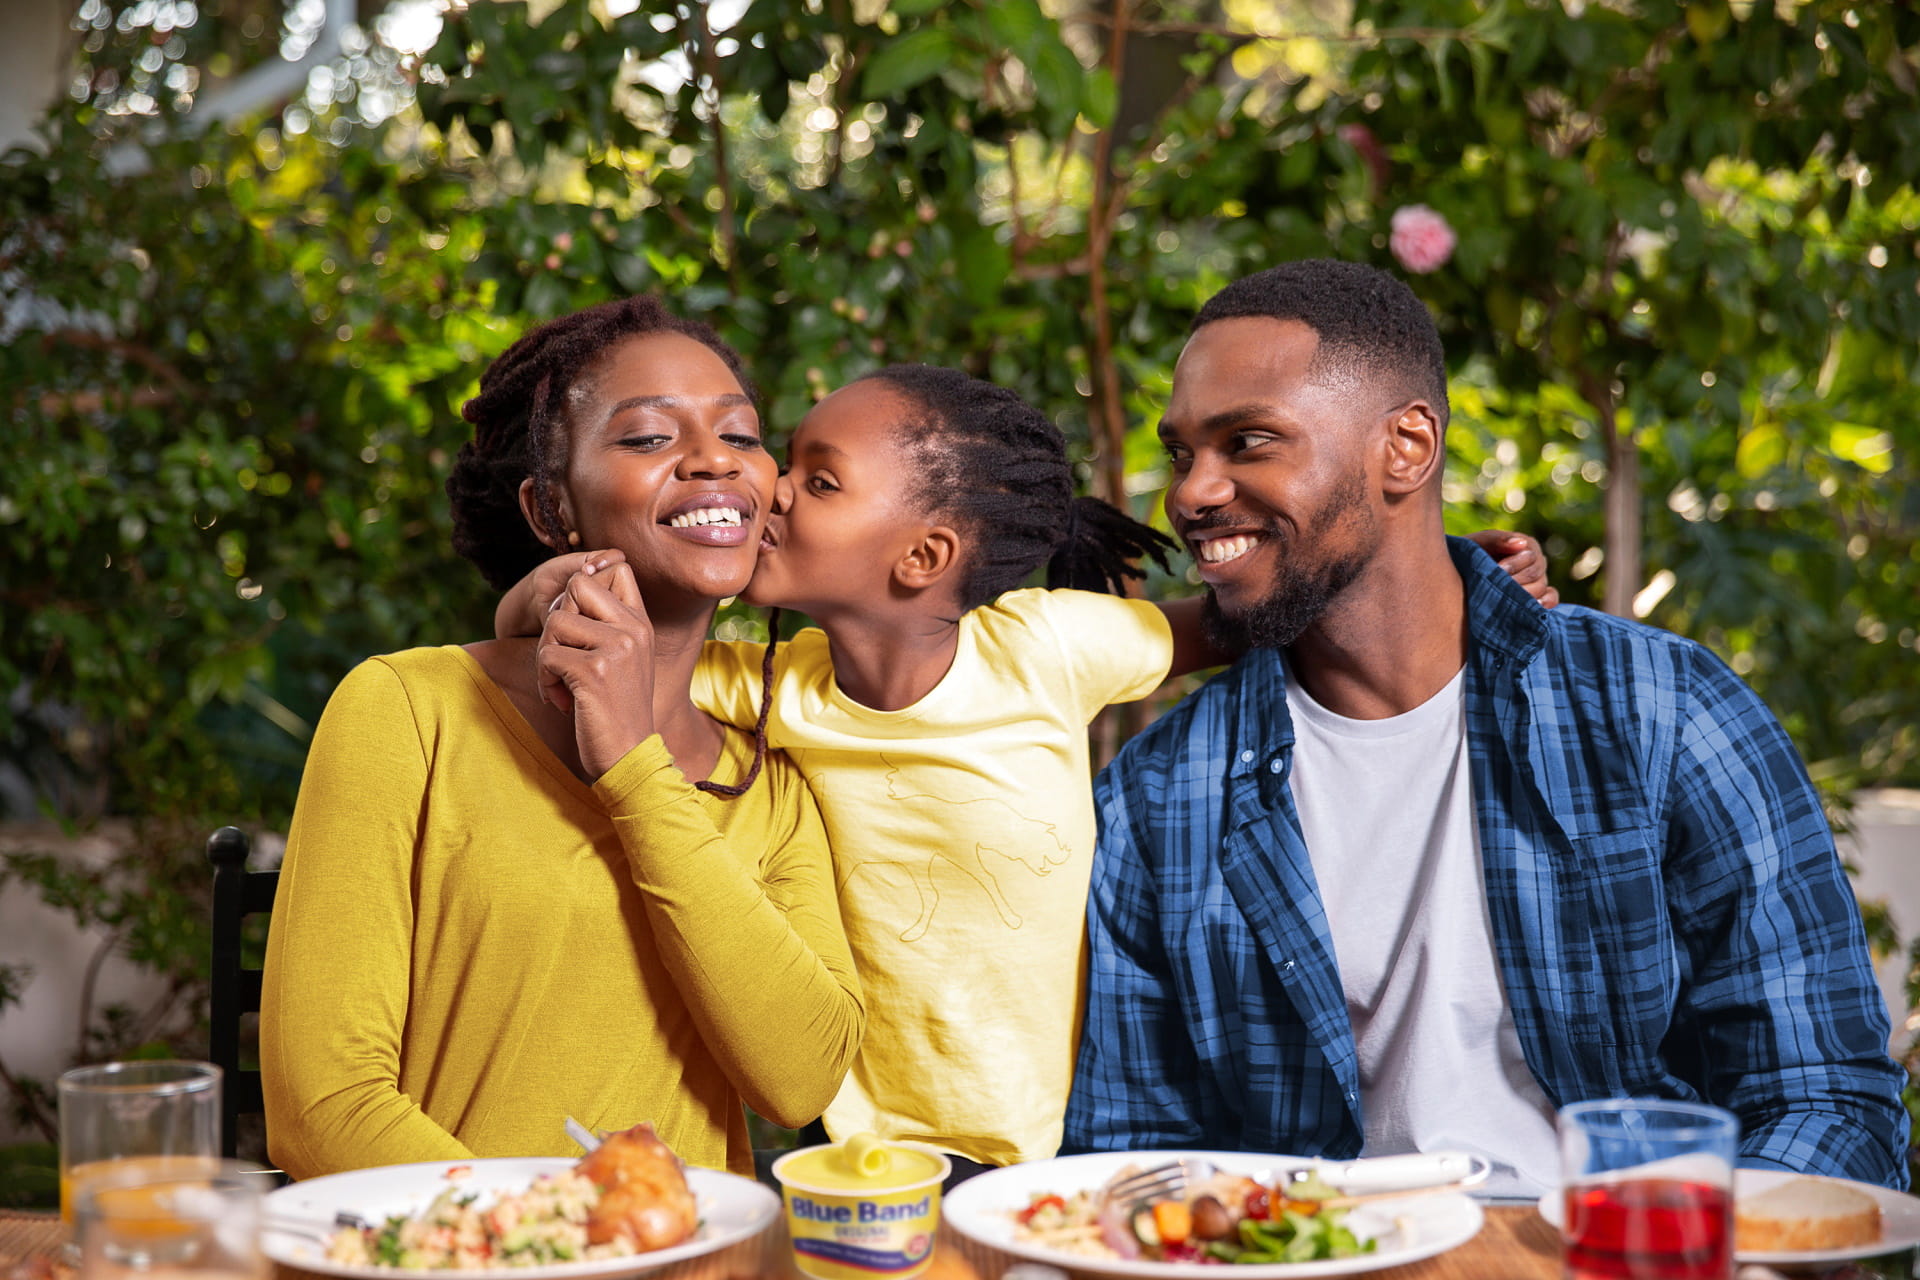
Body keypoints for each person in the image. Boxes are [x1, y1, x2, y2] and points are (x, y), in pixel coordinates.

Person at [501, 362, 1554, 1182]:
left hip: (1070, 1138)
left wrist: (1458, 566)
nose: (770, 487)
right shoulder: (772, 686)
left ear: (921, 558)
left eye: (817, 479)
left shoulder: (1046, 646)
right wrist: (547, 594)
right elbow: (600, 679)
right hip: (879, 1152)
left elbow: (1248, 610)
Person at [1063, 259, 1910, 1194]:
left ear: (1408, 446)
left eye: (1248, 442)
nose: (1190, 494)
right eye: (1182, 453)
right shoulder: (1160, 801)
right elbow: (1130, 1158)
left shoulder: (1659, 712)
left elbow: (1824, 1098)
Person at [260, 297, 864, 1181]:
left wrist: (634, 769)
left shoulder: (767, 786)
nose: (713, 460)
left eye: (741, 435)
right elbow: (324, 1111)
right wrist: (555, 1242)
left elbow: (801, 1080)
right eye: (649, 438)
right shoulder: (407, 710)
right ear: (550, 510)